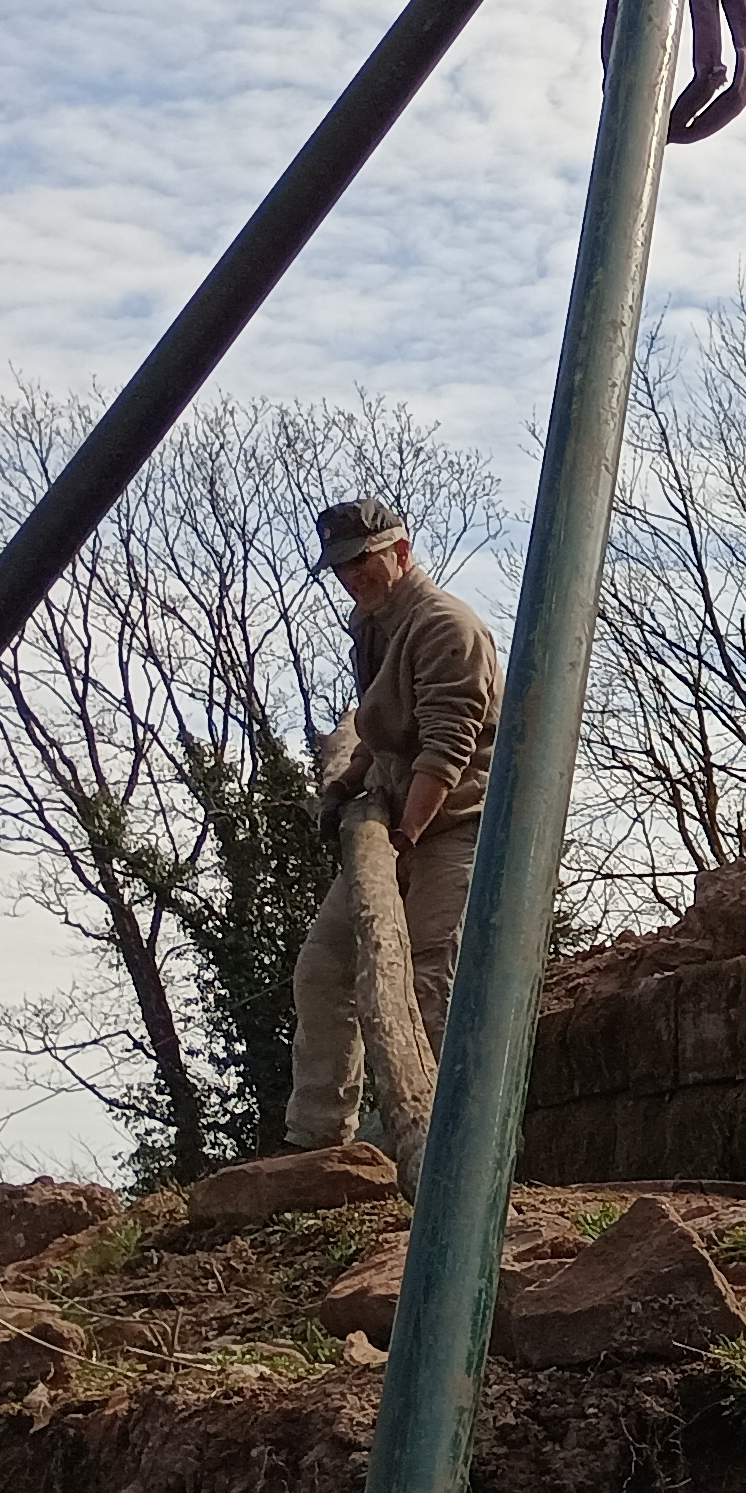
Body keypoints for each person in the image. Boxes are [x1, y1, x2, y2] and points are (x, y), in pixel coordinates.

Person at [292, 497, 502, 1159]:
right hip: (390, 824)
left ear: (401, 552)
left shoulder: (445, 627)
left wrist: (406, 839)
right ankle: (318, 1142)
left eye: (363, 561)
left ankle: (451, 1156)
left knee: (430, 982)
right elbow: (381, 728)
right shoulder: (374, 623)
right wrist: (348, 782)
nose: (351, 576)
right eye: (341, 566)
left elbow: (446, 751)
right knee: (323, 970)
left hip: (456, 826)